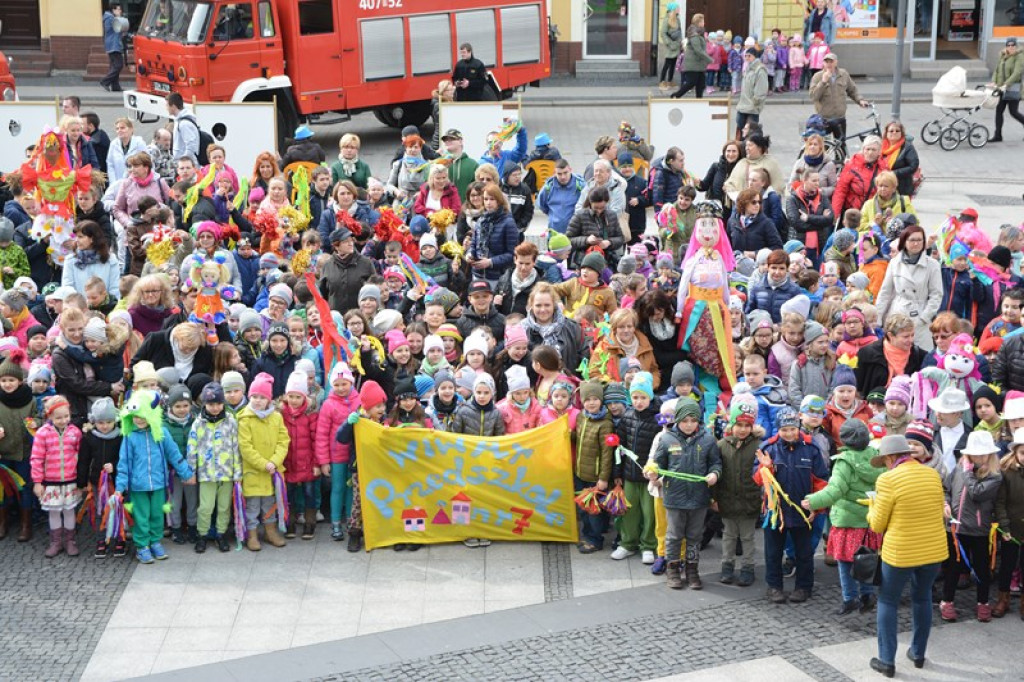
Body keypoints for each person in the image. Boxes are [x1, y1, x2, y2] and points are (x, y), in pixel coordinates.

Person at [866, 434, 948, 677]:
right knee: (922, 598)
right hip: (933, 550)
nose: (886, 466)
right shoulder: (932, 474)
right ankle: (918, 653)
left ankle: (886, 661)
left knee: (888, 601)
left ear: (891, 457)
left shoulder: (887, 480)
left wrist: (871, 508)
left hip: (900, 552)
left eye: (885, 461)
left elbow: (878, 525)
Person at [803, 420, 884, 614]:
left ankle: (850, 598)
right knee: (867, 558)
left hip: (847, 521)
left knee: (845, 561)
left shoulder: (843, 462)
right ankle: (867, 595)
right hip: (870, 519)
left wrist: (811, 501)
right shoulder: (877, 458)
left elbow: (835, 491)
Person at [113, 391, 196, 564]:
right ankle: (142, 545)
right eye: (135, 416)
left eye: (143, 416)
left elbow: (174, 454)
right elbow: (124, 464)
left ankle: (155, 541)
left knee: (157, 514)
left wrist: (187, 473)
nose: (139, 420)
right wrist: (120, 488)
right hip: (138, 486)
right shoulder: (129, 438)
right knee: (141, 516)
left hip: (159, 484)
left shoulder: (161, 432)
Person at [875, 226, 942, 350]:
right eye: (912, 240)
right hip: (897, 313)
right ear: (904, 241)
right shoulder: (894, 262)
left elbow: (936, 294)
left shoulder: (932, 265)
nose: (916, 243)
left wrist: (924, 318)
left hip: (920, 315)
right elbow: (885, 292)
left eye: (919, 240)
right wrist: (878, 318)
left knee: (920, 355)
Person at [809, 52, 870, 155]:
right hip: (824, 119)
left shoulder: (843, 74)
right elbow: (813, 96)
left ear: (836, 62)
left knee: (841, 146)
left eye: (831, 61)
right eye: (826, 61)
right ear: (823, 63)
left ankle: (840, 168)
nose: (829, 64)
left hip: (839, 118)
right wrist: (823, 82)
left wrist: (860, 100)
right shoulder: (818, 76)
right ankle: (824, 168)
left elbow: (852, 90)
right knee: (825, 148)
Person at [854, 314, 928, 398]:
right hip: (875, 406)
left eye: (912, 335)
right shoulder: (867, 354)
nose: (911, 340)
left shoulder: (920, 356)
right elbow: (858, 387)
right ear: (890, 336)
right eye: (906, 336)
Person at [833, 136, 887, 222]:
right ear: (863, 150)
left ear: (879, 152)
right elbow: (841, 190)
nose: (870, 152)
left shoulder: (884, 168)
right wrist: (835, 213)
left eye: (873, 150)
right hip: (852, 214)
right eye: (867, 149)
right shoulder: (852, 165)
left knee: (868, 235)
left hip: (871, 216)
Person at [989, 37, 1024, 143]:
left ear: (1016, 46)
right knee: (999, 111)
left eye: (1013, 45)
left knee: (1013, 112)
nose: (1010, 47)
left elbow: (1017, 72)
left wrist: (1006, 84)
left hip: (1013, 89)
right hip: (1001, 88)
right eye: (1008, 45)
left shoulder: (1019, 56)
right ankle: (998, 135)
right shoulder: (1003, 55)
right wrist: (994, 81)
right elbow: (997, 70)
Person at [671, 13, 713, 99]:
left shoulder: (699, 33)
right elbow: (698, 50)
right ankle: (676, 95)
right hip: (693, 64)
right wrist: (709, 59)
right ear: (698, 22)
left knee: (701, 84)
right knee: (691, 82)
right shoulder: (694, 34)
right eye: (703, 21)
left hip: (699, 65)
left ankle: (699, 102)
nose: (704, 23)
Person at [880, 121, 920, 197]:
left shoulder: (907, 147)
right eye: (891, 131)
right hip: (882, 185)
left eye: (897, 131)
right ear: (886, 133)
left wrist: (893, 173)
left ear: (901, 133)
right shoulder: (881, 146)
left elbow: (913, 166)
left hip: (901, 187)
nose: (894, 133)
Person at [736, 48, 769, 135]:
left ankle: (755, 146)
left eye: (749, 56)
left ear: (755, 56)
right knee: (740, 128)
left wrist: (756, 102)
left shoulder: (760, 70)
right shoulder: (748, 68)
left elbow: (761, 89)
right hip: (743, 104)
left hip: (752, 106)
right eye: (745, 56)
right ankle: (741, 146)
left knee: (751, 131)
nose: (747, 58)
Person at [100, 2, 128, 92]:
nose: (120, 11)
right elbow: (111, 30)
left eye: (120, 9)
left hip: (114, 44)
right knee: (119, 65)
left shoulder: (112, 18)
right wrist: (118, 21)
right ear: (113, 10)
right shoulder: (110, 18)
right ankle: (105, 81)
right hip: (113, 45)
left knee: (114, 65)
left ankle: (115, 86)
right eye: (118, 9)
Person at [167, 93, 199, 165]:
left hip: (186, 167)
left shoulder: (184, 124)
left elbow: (191, 146)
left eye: (167, 105)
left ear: (173, 106)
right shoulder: (180, 121)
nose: (166, 108)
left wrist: (184, 163)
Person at [658, 3, 683, 90]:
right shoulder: (667, 19)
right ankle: (662, 82)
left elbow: (680, 31)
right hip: (670, 46)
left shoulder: (677, 19)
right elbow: (663, 33)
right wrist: (669, 43)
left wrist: (681, 42)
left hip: (676, 45)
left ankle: (670, 81)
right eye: (677, 8)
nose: (679, 9)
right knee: (667, 64)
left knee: (673, 64)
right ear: (673, 9)